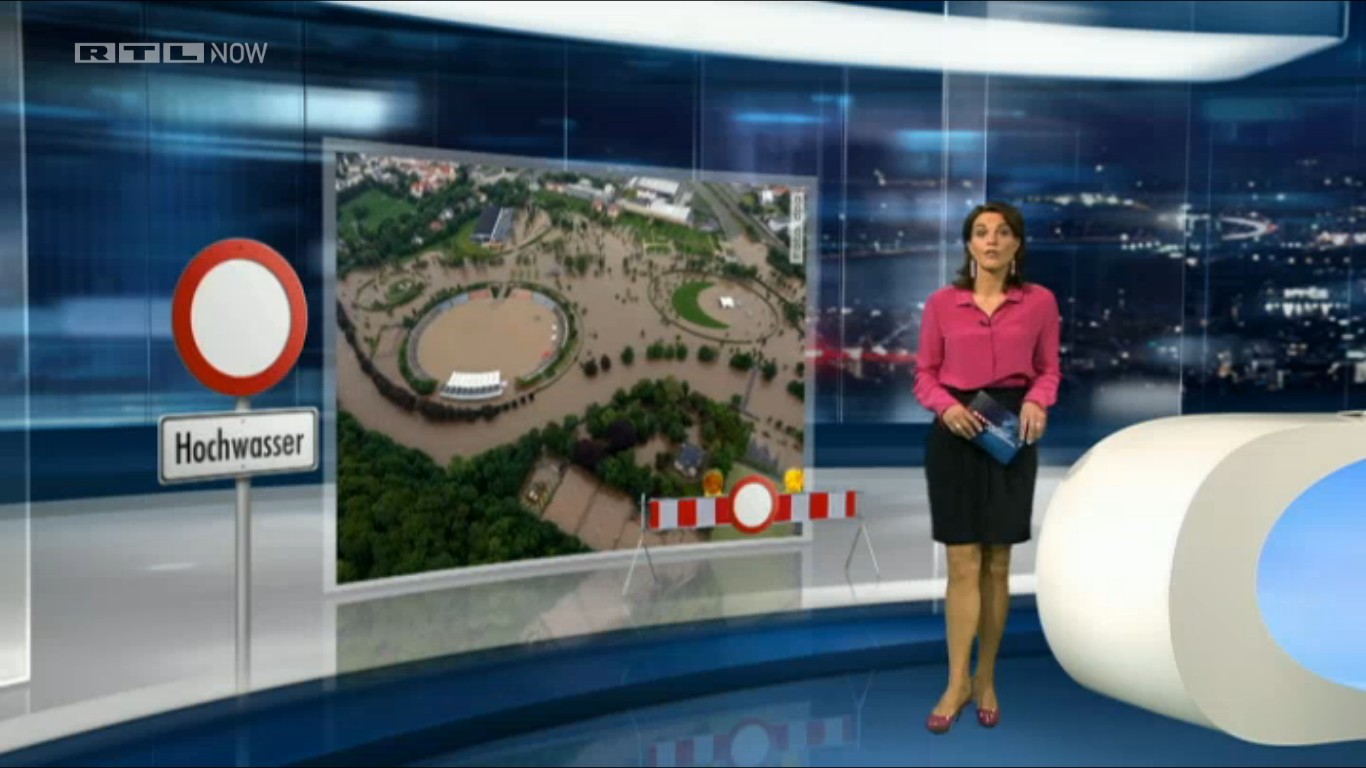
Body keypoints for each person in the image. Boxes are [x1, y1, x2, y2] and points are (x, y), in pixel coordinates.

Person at [912, 201, 1061, 734]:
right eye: (981, 232)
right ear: (969, 244)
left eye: (1002, 232)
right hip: (956, 429)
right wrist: (944, 406)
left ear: (1017, 243)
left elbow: (1048, 370)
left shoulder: (1040, 302)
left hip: (1010, 430)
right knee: (962, 563)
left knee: (997, 563)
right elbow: (924, 374)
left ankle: (987, 678)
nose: (991, 241)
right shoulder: (942, 304)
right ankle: (956, 683)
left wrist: (1038, 400)